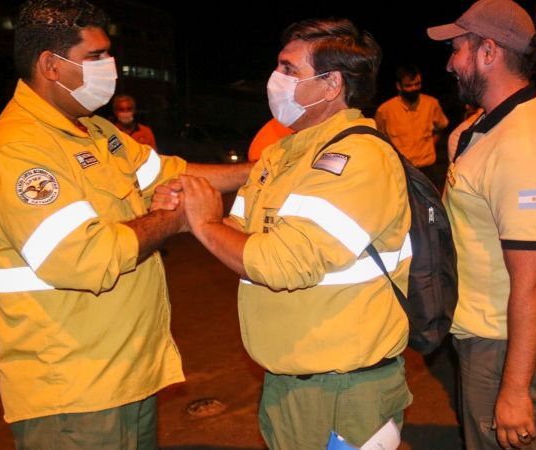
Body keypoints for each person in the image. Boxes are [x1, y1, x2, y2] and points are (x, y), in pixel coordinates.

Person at [0, 1, 249, 448]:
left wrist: (264, 170)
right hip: (74, 392)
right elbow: (84, 257)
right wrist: (175, 218)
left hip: (123, 375)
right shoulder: (20, 149)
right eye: (95, 56)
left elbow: (171, 172)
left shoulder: (94, 133)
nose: (109, 67)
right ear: (50, 66)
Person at [158, 18, 413, 450]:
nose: (276, 80)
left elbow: (282, 263)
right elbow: (237, 228)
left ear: (331, 84)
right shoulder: (282, 154)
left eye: (289, 69)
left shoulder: (358, 159)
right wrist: (190, 210)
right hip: (289, 382)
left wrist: (204, 223)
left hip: (341, 392)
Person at [427, 0, 536, 449]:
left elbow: (534, 283)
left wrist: (514, 392)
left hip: (502, 343)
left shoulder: (523, 147)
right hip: (487, 334)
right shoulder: (493, 126)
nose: (451, 63)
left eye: (457, 49)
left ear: (488, 52)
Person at [375, 65, 449, 173]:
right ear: (399, 86)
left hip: (427, 168)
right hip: (400, 168)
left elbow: (441, 127)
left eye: (417, 84)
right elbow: (379, 139)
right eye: (408, 85)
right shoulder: (385, 110)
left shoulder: (431, 104)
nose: (414, 88)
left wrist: (429, 146)